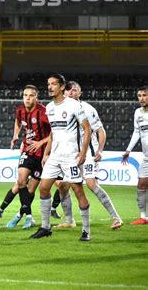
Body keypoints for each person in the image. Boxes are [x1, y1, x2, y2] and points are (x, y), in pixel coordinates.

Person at [30, 74, 92, 241]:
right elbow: (53, 133)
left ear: (62, 87)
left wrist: (83, 152)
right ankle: (45, 227)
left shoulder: (73, 105)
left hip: (71, 156)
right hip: (55, 156)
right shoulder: (49, 107)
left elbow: (87, 129)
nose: (50, 87)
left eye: (54, 84)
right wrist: (46, 153)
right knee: (43, 188)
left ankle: (86, 231)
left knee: (78, 191)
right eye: (48, 84)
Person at [55, 81, 123, 230]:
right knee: (62, 185)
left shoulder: (88, 109)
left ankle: (116, 217)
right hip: (71, 156)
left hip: (89, 154)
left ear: (80, 93)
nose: (71, 93)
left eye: (74, 90)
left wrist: (99, 150)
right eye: (68, 90)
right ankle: (69, 220)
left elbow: (101, 131)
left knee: (91, 184)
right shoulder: (61, 109)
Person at [4, 85, 51, 230]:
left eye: (31, 95)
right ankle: (26, 216)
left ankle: (21, 215)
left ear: (36, 97)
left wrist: (41, 143)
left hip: (43, 154)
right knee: (20, 180)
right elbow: (18, 121)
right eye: (25, 95)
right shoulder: (20, 110)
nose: (27, 98)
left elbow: (54, 132)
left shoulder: (44, 112)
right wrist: (15, 135)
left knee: (31, 191)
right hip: (28, 150)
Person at [122, 86, 148, 225]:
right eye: (139, 95)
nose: (142, 98)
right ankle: (143, 217)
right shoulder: (138, 112)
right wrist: (128, 150)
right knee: (141, 185)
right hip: (146, 158)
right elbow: (137, 132)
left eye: (144, 95)